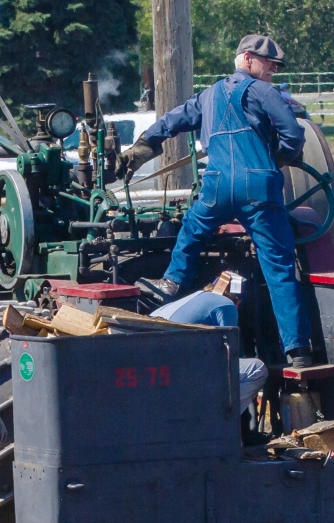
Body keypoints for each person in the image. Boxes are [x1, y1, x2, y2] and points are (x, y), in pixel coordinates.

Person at [122, 33, 316, 367]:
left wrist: (141, 149)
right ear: (246, 59)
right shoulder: (264, 92)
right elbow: (294, 133)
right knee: (280, 269)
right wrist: (282, 156)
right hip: (259, 188)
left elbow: (171, 121)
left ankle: (171, 283)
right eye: (268, 63)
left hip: (215, 188)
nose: (272, 70)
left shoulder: (208, 96)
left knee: (192, 229)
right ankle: (297, 351)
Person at [152, 271, 269, 413]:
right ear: (238, 300)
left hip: (158, 370)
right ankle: (219, 418)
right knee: (257, 369)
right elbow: (230, 354)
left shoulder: (192, 299)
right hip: (181, 370)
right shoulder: (226, 304)